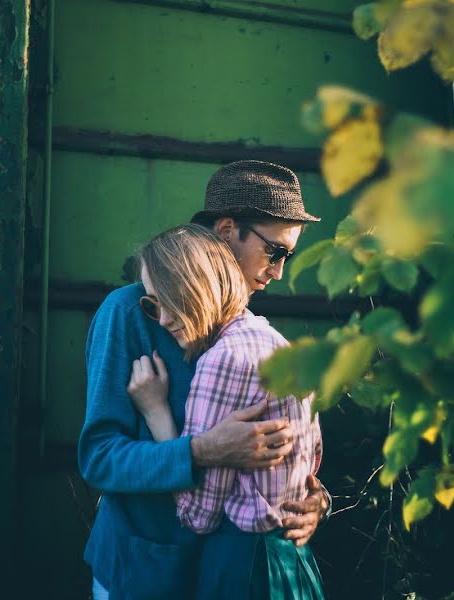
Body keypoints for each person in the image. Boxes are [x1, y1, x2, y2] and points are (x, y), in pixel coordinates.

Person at [78, 160, 330, 599]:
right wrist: (201, 451)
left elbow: (281, 445)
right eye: (276, 252)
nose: (279, 272)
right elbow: (98, 458)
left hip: (222, 575)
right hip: (142, 573)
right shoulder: (129, 313)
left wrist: (312, 500)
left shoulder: (250, 333)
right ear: (228, 230)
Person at [127, 225, 324, 599]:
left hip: (244, 567)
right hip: (293, 563)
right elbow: (313, 460)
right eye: (152, 305)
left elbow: (197, 515)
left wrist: (156, 413)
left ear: (197, 284)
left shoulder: (222, 360)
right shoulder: (278, 344)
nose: (163, 319)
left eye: (168, 298)